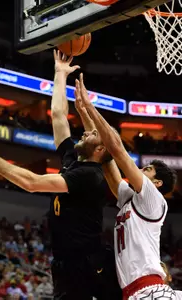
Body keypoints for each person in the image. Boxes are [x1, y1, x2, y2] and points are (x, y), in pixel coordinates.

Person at [0, 51, 121, 300]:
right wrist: (59, 74)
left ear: (101, 149)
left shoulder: (90, 175)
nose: (85, 133)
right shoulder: (75, 160)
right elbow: (58, 116)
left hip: (86, 264)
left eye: (92, 134)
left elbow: (32, 183)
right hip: (67, 263)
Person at [76, 73, 178, 299]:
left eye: (148, 169)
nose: (142, 170)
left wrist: (92, 107)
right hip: (133, 293)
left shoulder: (153, 199)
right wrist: (85, 116)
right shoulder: (128, 199)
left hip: (152, 291)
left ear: (157, 183)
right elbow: (106, 157)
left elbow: (118, 150)